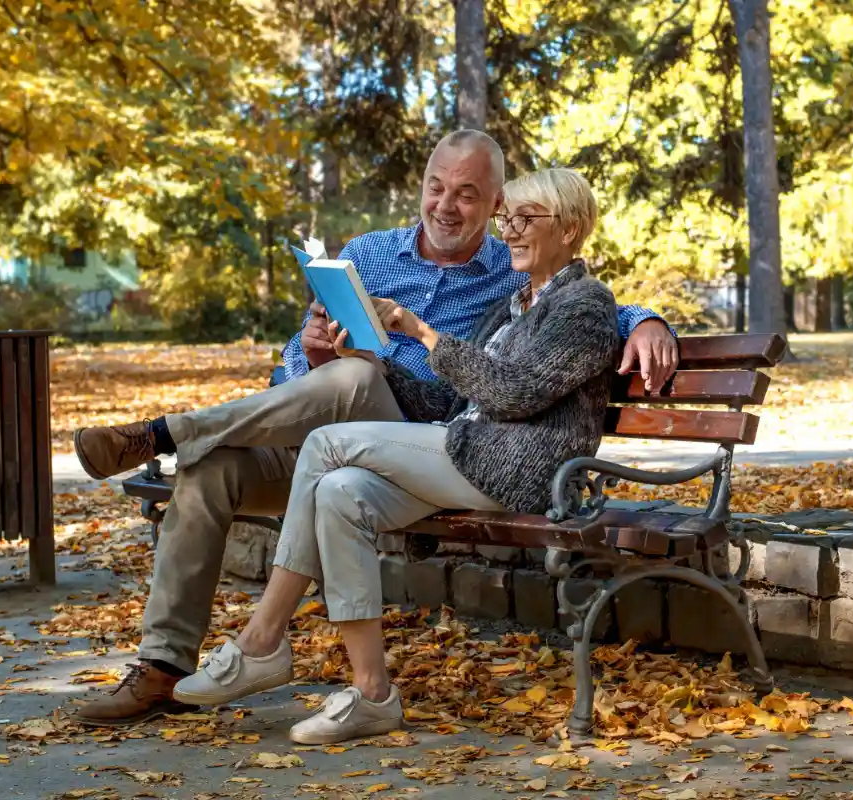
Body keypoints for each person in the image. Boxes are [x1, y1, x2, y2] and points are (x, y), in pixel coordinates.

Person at [71, 131, 677, 728]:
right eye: (436, 187)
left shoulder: (509, 270)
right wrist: (311, 353)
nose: (445, 205)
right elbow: (298, 360)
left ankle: (165, 440)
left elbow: (582, 307)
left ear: (495, 203)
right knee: (212, 468)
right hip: (327, 428)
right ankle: (164, 667)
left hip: (416, 441)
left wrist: (648, 320)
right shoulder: (370, 253)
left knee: (357, 380)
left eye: (468, 195)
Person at [170, 167, 619, 744]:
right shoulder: (512, 306)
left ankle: (262, 640)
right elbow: (450, 402)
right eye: (508, 218)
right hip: (469, 452)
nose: (509, 230)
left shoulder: (585, 304)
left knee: (326, 444)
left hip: (520, 470)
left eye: (525, 219)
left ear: (571, 228)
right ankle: (373, 694)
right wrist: (376, 365)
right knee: (340, 493)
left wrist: (423, 332)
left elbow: (516, 393)